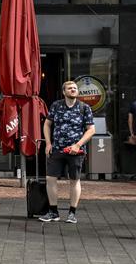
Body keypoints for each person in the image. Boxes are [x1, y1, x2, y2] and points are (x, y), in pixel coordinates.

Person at [39, 80, 95, 224]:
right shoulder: (56, 106)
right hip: (57, 149)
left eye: (75, 88)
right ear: (64, 92)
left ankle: (72, 213)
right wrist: (48, 143)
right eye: (70, 88)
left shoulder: (84, 108)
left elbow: (91, 130)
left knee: (74, 180)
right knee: (50, 179)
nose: (73, 90)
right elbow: (47, 124)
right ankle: (53, 212)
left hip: (76, 151)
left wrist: (78, 145)